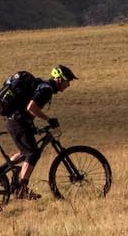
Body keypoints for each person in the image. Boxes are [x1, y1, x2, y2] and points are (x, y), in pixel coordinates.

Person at [5, 64, 76, 197]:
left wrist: (33, 126)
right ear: (60, 79)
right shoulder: (47, 89)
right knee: (33, 153)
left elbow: (28, 109)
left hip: (17, 121)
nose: (68, 85)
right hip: (17, 121)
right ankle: (21, 189)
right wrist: (48, 119)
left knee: (25, 152)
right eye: (67, 81)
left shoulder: (43, 86)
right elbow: (31, 107)